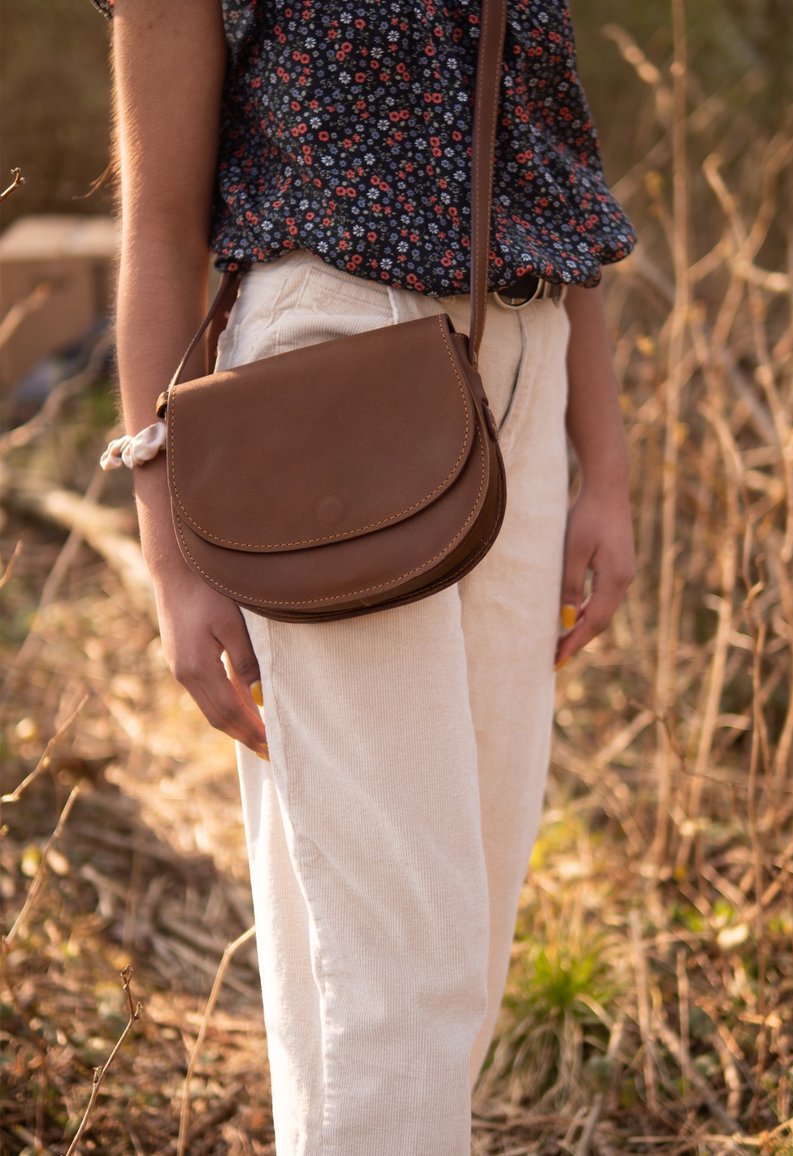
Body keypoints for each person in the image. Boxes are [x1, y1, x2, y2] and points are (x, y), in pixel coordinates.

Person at [93, 1, 636, 1151]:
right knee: (400, 951)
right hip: (326, 372)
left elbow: (549, 169)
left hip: (522, 362)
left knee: (455, 930)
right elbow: (157, 232)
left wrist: (607, 468)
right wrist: (166, 539)